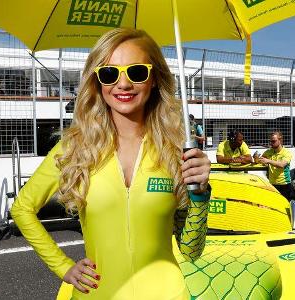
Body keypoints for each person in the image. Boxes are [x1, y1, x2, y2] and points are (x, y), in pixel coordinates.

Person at [11, 28, 211, 299]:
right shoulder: (75, 148)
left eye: (137, 72)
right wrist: (63, 267)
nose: (123, 84)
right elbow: (22, 208)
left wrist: (200, 196)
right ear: (97, 82)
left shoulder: (175, 151)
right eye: (109, 73)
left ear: (153, 79)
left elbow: (191, 250)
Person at [255, 131, 295, 200]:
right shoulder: (268, 152)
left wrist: (268, 161)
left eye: (273, 141)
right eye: (270, 141)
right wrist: (256, 158)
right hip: (272, 185)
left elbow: (282, 165)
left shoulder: (286, 153)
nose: (271, 143)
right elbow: (259, 161)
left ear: (280, 140)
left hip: (284, 185)